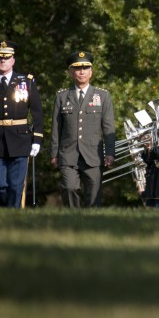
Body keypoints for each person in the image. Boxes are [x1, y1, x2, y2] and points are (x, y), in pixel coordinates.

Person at [0, 40, 43, 208]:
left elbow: (37, 112)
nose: (3, 60)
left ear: (13, 60)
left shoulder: (27, 81)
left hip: (20, 140)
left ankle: (12, 219)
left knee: (15, 187)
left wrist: (37, 140)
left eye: (6, 57)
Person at [50, 51, 115, 207]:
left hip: (93, 154)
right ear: (71, 72)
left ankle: (91, 224)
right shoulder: (62, 96)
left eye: (85, 68)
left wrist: (110, 152)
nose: (82, 71)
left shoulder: (102, 96)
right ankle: (73, 218)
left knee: (93, 195)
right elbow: (56, 126)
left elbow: (108, 126)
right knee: (69, 187)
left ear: (91, 72)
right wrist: (54, 153)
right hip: (68, 153)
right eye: (78, 68)